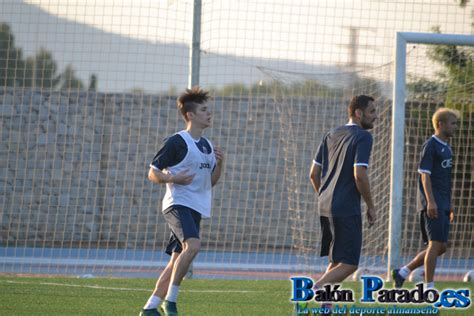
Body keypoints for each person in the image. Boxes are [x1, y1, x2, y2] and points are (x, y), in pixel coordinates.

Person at [140, 87, 224, 316]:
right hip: (178, 204)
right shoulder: (177, 142)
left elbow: (211, 182)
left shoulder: (207, 145)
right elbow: (152, 173)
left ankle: (149, 308)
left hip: (196, 207)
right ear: (190, 115)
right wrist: (172, 177)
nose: (209, 114)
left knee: (176, 260)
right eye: (204, 110)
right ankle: (171, 301)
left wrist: (221, 164)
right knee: (193, 246)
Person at [308, 95, 377, 311]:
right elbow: (360, 175)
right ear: (358, 113)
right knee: (350, 264)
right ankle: (316, 290)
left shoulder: (332, 134)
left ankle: (325, 307)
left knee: (337, 260)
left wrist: (325, 196)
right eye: (372, 111)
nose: (376, 116)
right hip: (346, 208)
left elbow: (313, 173)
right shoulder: (363, 137)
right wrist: (371, 206)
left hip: (326, 205)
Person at [392, 108, 458, 289]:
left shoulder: (447, 148)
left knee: (441, 247)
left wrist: (450, 203)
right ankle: (429, 288)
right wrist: (430, 201)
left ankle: (403, 272)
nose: (455, 127)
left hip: (443, 202)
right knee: (435, 244)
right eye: (452, 123)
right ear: (440, 124)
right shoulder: (431, 145)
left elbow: (446, 178)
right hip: (432, 203)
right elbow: (424, 175)